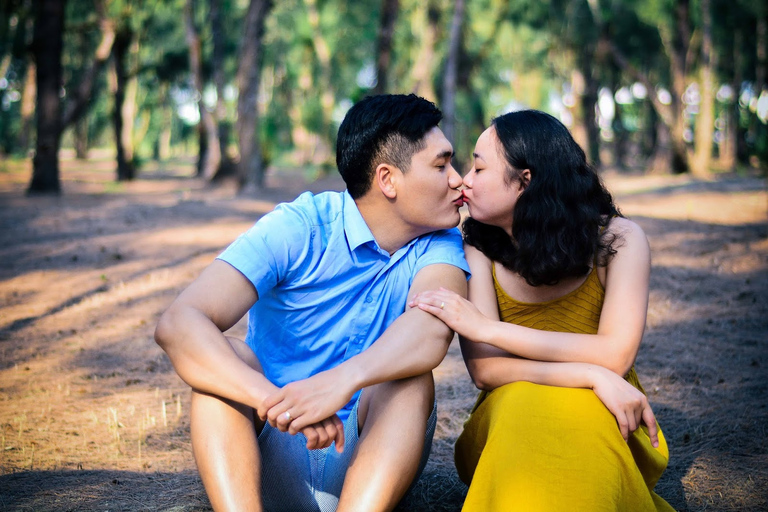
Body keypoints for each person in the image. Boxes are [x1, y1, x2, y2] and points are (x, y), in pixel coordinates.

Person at [154, 94, 470, 512]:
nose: (458, 179)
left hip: (367, 461)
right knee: (223, 365)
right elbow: (179, 323)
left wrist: (340, 383)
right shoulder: (300, 226)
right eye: (441, 164)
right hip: (273, 450)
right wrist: (277, 402)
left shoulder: (440, 241)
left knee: (409, 380)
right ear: (388, 180)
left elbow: (431, 330)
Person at [411, 110, 674, 511]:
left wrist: (489, 329)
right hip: (513, 410)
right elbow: (487, 372)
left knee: (584, 430)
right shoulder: (477, 249)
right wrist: (588, 374)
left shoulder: (619, 240)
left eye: (479, 168)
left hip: (609, 407)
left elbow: (615, 356)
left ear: (524, 181)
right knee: (522, 410)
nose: (464, 179)